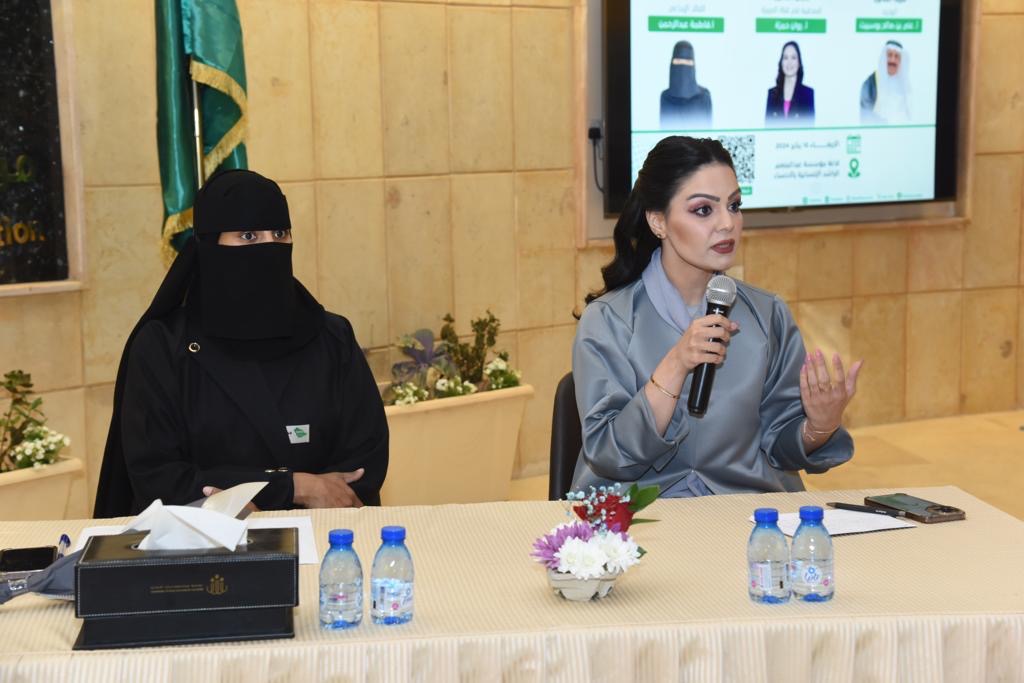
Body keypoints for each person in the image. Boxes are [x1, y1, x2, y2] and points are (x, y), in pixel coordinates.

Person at [571, 136, 862, 497]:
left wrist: (820, 425)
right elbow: (608, 453)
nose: (727, 223)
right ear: (658, 221)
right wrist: (676, 364)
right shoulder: (608, 321)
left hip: (746, 513)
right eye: (703, 210)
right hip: (642, 516)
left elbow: (780, 446)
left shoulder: (767, 315)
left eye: (734, 205)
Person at [94, 170, 388, 517]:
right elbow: (158, 475)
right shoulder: (164, 347)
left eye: (280, 234)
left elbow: (364, 459)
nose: (269, 247)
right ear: (209, 246)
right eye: (248, 236)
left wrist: (247, 491)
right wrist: (294, 487)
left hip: (328, 533)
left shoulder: (331, 337)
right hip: (208, 545)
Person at [660, 41, 712, 130]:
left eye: (687, 61)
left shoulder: (704, 97)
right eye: (678, 61)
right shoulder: (665, 96)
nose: (683, 65)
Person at [765, 41, 815, 127]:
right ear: (781, 62)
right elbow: (768, 127)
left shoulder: (808, 94)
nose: (789, 62)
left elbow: (809, 128)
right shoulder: (772, 93)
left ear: (799, 63)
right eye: (785, 58)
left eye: (793, 58)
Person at [860, 41, 911, 123]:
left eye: (896, 56)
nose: (892, 60)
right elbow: (864, 114)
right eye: (889, 55)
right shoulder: (871, 83)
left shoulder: (905, 84)